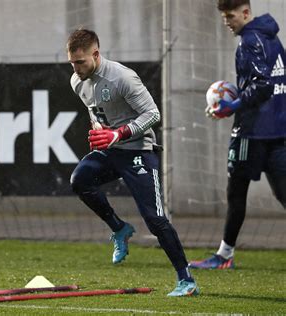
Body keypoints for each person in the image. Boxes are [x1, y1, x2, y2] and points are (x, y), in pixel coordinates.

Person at [67, 28, 199, 297]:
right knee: (79, 180)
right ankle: (119, 229)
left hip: (138, 150)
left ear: (96, 54)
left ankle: (186, 280)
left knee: (155, 219)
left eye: (80, 62)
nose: (76, 68)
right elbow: (98, 113)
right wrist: (100, 132)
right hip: (111, 151)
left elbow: (153, 115)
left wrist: (117, 133)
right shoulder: (77, 81)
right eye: (71, 62)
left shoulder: (122, 77)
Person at [190, 0, 286, 269]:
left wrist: (233, 105)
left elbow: (263, 85)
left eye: (230, 16)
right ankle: (224, 254)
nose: (227, 22)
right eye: (224, 18)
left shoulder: (249, 40)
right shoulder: (273, 38)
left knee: (236, 193)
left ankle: (224, 256)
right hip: (277, 130)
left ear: (245, 13)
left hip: (252, 132)